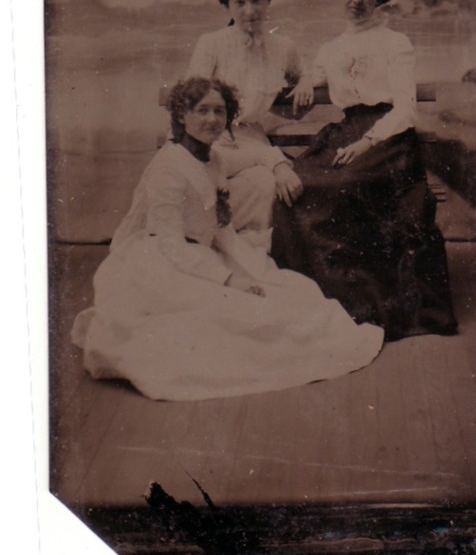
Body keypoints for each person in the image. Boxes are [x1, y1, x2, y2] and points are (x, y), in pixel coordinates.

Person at [71, 77, 383, 402]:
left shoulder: (212, 158)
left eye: (219, 112)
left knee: (288, 291)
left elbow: (230, 205)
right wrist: (230, 280)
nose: (211, 120)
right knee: (239, 318)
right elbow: (171, 246)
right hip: (164, 266)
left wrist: (247, 267)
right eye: (201, 111)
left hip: (203, 256)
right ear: (181, 116)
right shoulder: (168, 168)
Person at [271, 0, 458, 341]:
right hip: (345, 132)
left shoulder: (395, 43)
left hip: (387, 139)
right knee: (293, 190)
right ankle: (313, 300)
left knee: (339, 187)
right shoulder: (331, 48)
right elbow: (316, 73)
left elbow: (406, 110)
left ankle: (363, 303)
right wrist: (307, 81)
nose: (357, 0)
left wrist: (365, 143)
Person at [185, 0, 304, 240]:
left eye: (258, 0)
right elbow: (192, 99)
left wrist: (307, 82)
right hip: (208, 136)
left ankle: (252, 254)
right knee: (266, 172)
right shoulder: (211, 43)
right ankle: (211, 244)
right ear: (227, 5)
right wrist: (277, 160)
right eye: (240, 2)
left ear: (268, 2)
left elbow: (303, 74)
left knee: (265, 182)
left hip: (250, 139)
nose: (250, 11)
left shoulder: (283, 47)